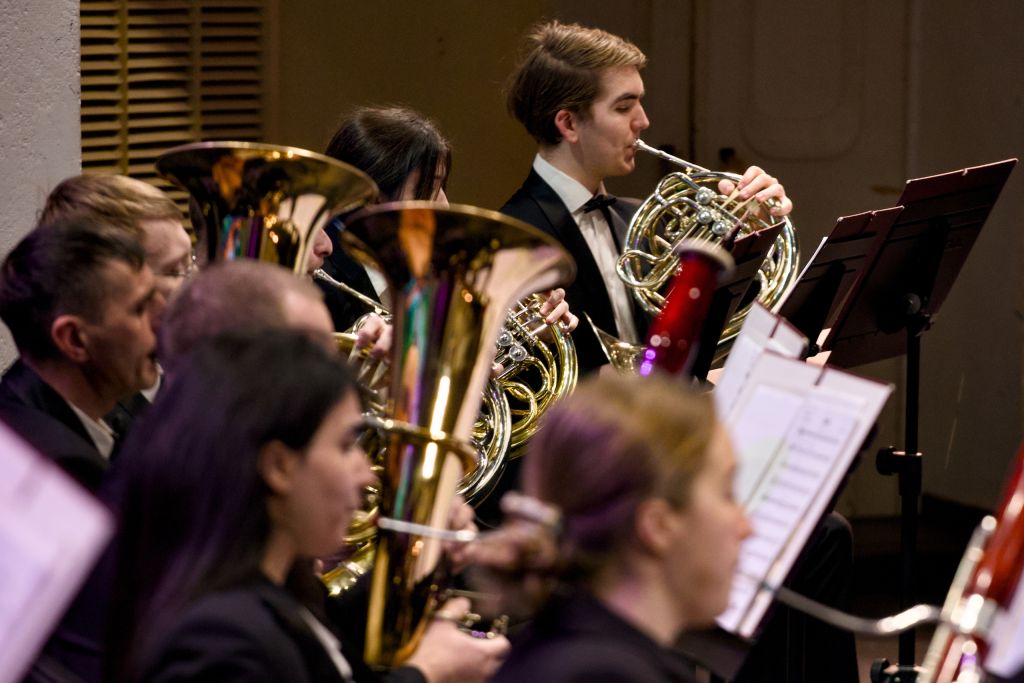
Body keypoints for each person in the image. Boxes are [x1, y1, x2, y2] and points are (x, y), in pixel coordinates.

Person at [106, 329, 509, 683]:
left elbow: (328, 644)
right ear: (279, 466)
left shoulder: (272, 585)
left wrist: (425, 553)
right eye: (346, 445)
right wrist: (426, 674)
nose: (367, 475)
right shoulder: (218, 640)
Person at [499, 21, 792, 375]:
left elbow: (708, 330)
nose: (644, 121)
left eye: (640, 103)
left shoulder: (638, 220)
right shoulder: (511, 238)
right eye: (624, 107)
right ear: (569, 124)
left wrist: (751, 238)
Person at [480, 372, 751, 682]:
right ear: (658, 527)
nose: (747, 526)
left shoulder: (564, 641)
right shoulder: (608, 674)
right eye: (727, 494)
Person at [318, 105, 576, 334]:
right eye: (430, 188)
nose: (445, 205)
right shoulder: (321, 284)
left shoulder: (441, 274)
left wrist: (530, 329)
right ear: (373, 198)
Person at [0, 216, 163, 492]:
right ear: (74, 339)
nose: (162, 320)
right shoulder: (64, 470)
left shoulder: (19, 396)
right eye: (140, 309)